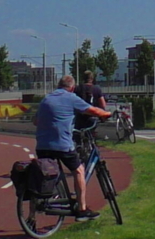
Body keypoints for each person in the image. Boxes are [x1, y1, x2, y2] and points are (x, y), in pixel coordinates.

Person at [34, 75, 111, 221]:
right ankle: (82, 210)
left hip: (42, 145)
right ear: (72, 88)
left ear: (58, 85)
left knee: (46, 172)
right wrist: (107, 113)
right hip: (62, 145)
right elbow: (94, 111)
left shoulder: (46, 99)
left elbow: (35, 121)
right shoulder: (71, 98)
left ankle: (35, 211)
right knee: (79, 170)